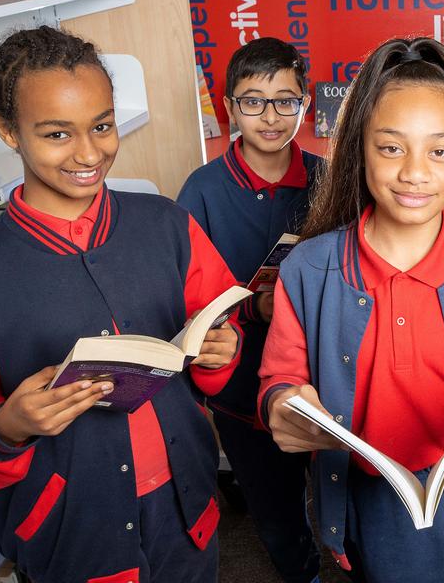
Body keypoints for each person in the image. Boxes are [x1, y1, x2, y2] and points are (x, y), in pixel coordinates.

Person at [0, 26, 240, 582]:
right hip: (70, 534)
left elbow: (219, 343)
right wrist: (8, 426)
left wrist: (222, 351)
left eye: (102, 126)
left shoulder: (168, 224)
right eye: (57, 133)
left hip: (187, 510)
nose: (89, 153)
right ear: (8, 130)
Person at [258, 37, 444, 583]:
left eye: (440, 151)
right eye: (391, 148)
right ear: (358, 148)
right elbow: (281, 378)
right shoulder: (309, 269)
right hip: (376, 500)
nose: (415, 173)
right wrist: (281, 404)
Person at [177, 37, 322, 582]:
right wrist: (254, 308)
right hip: (241, 387)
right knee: (278, 510)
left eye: (286, 100)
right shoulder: (202, 191)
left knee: (346, 497)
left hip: (323, 376)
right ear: (229, 108)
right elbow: (189, 303)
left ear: (304, 104)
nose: (270, 115)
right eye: (253, 100)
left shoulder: (330, 179)